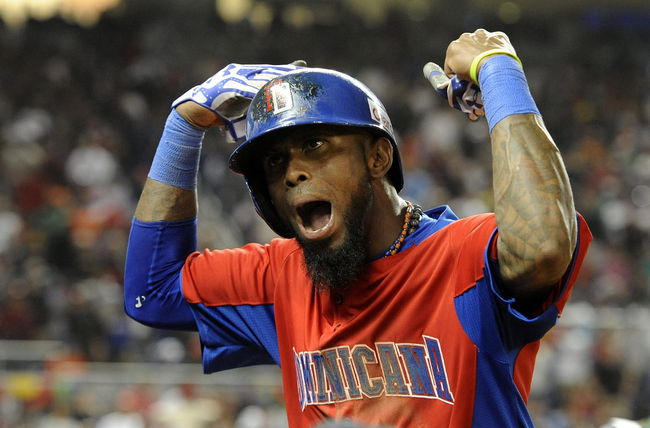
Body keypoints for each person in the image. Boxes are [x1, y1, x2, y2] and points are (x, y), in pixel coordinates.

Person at [124, 29, 592, 427]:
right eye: (275, 161)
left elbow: (542, 246)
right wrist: (184, 125)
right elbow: (151, 292)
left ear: (378, 157)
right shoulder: (281, 276)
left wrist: (498, 73)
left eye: (315, 145)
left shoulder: (461, 257)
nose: (292, 173)